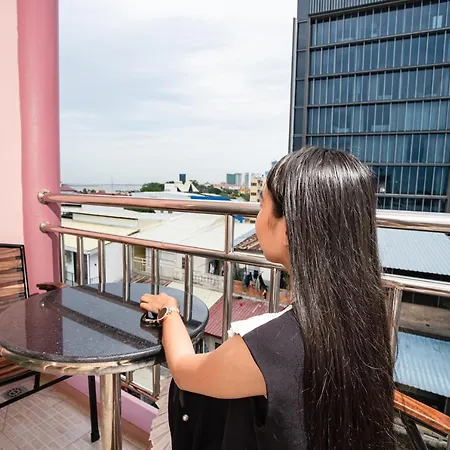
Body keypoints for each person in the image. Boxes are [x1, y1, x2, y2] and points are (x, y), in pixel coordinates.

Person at [141, 147, 395, 450]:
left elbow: (184, 371)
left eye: (262, 204)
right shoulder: (367, 317)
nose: (257, 216)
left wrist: (169, 311)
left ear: (286, 229)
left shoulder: (271, 346)